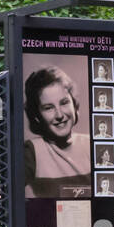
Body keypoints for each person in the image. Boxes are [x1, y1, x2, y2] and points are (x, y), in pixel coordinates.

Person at [23, 67, 91, 198]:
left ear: (74, 104)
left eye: (64, 103)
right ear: (37, 115)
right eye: (48, 108)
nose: (59, 115)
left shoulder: (92, 144)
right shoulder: (31, 152)